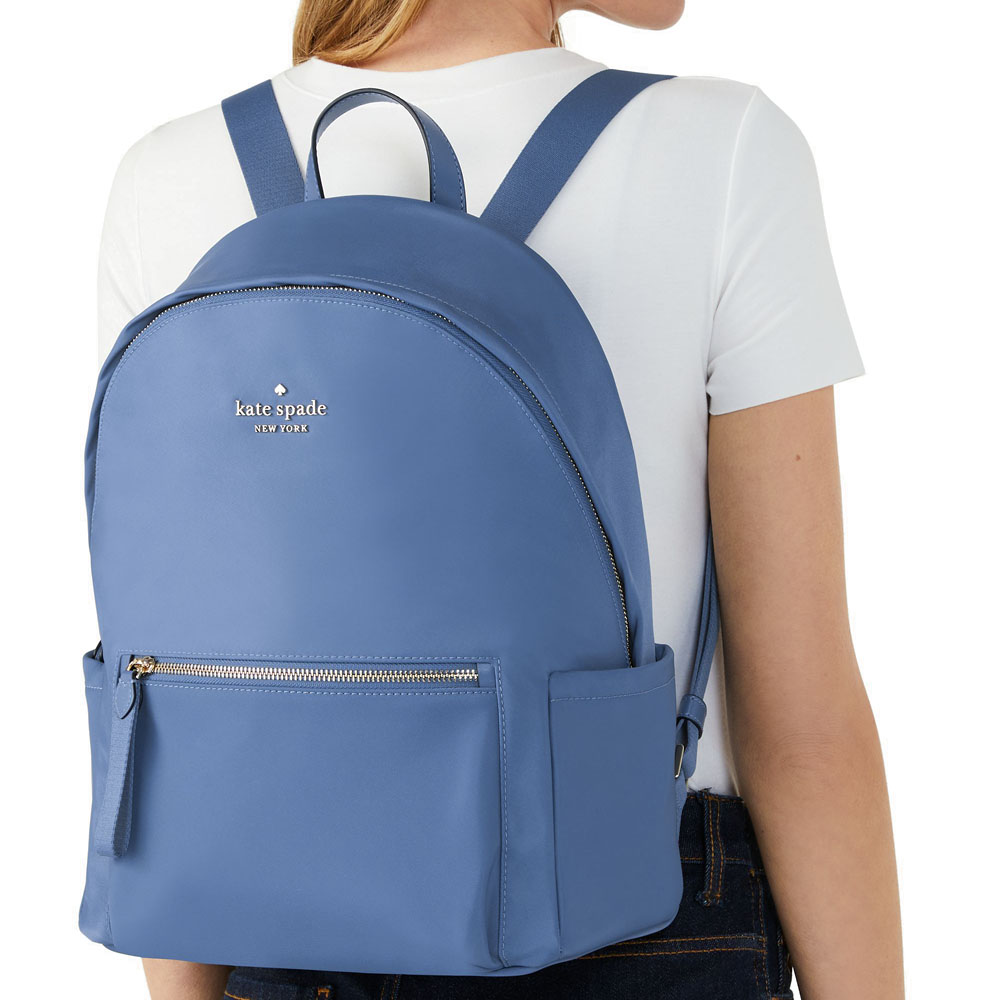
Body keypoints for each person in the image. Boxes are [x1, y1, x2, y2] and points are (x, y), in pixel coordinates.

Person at [97, 2, 904, 998]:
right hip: (632, 918)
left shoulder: (169, 175)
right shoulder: (725, 149)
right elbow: (802, 720)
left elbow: (170, 701)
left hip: (275, 928)